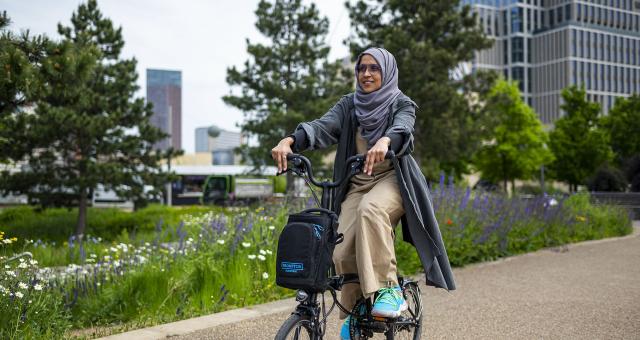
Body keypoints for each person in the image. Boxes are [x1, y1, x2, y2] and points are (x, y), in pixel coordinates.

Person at [271, 47, 456, 340]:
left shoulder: (402, 103)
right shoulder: (350, 105)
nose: (366, 74)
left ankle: (388, 290)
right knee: (340, 247)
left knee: (371, 210)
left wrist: (386, 140)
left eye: (374, 68)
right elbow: (323, 126)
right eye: (362, 68)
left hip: (393, 179)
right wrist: (290, 140)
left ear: (387, 72)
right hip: (357, 182)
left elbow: (403, 130)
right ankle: (358, 312)